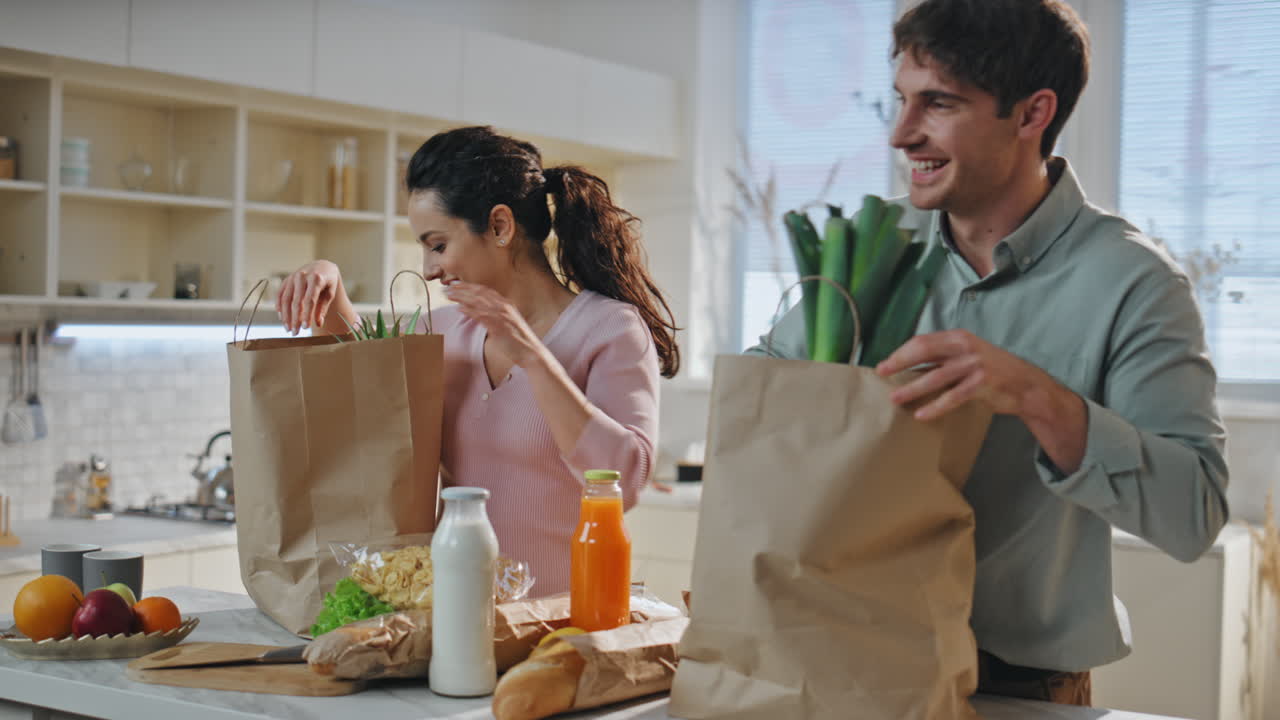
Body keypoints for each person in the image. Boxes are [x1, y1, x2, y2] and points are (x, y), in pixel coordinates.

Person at [749, 0, 1228, 707]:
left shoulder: (1135, 283)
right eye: (902, 100)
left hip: (1021, 688)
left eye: (937, 104)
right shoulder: (871, 247)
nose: (901, 134)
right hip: (844, 658)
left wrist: (1038, 398)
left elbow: (1194, 513)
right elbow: (762, 408)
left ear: (1033, 114)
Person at [276, 126, 680, 596]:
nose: (429, 269)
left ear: (500, 226)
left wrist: (532, 355)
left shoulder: (611, 328)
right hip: (453, 611)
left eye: (438, 244)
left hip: (564, 623)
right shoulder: (445, 328)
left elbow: (624, 481)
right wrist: (329, 288)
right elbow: (364, 377)